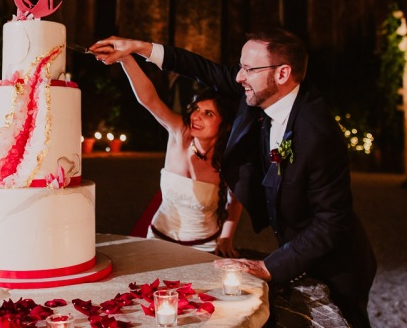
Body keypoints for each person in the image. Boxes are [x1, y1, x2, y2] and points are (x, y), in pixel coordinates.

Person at [91, 26, 377, 328]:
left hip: (338, 262)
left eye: (249, 69)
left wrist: (269, 266)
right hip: (292, 247)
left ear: (282, 74)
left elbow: (332, 222)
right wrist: (137, 47)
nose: (239, 78)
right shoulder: (259, 92)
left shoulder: (317, 134)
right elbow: (202, 69)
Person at [112, 53, 242, 257]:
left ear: (225, 126)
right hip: (158, 240)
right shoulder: (179, 133)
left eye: (209, 114)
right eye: (197, 109)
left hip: (206, 246)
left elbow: (234, 201)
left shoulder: (229, 157)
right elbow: (149, 99)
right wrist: (126, 59)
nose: (197, 116)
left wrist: (226, 238)